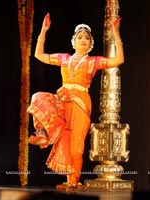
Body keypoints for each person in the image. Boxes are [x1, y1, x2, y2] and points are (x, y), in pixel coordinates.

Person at [27, 12, 124, 194]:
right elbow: (38, 55)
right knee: (38, 97)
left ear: (90, 43)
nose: (83, 40)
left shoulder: (93, 62)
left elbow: (119, 60)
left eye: (86, 38)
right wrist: (43, 30)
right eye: (79, 37)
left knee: (76, 147)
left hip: (80, 104)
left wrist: (116, 34)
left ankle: (73, 182)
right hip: (63, 101)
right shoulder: (64, 58)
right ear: (74, 41)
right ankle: (41, 133)